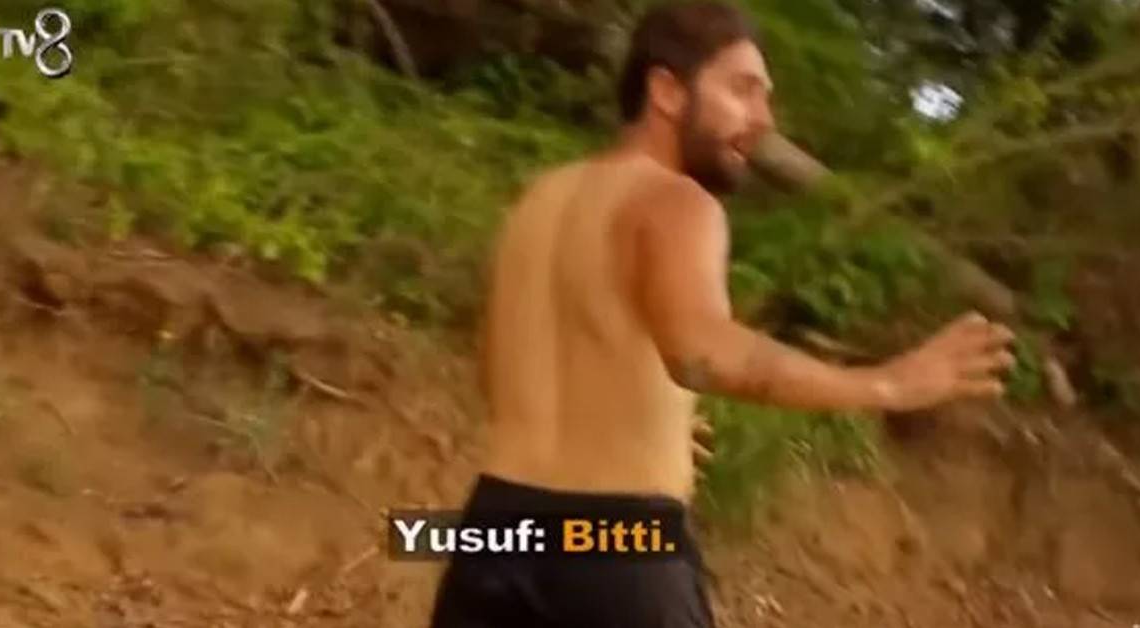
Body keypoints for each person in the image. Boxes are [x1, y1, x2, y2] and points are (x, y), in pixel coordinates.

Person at [428, 1, 1016, 626]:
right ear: (666, 91)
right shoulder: (677, 201)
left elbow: (498, 373)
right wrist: (890, 383)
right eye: (742, 90)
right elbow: (700, 353)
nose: (762, 120)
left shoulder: (539, 200)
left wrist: (636, 422)